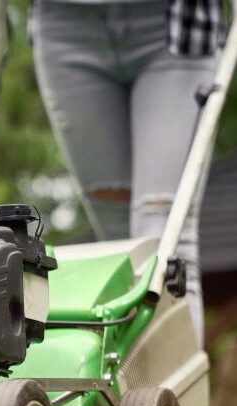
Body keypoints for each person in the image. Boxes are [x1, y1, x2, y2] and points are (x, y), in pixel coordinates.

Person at [29, 0, 224, 345]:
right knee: (121, 252)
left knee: (164, 246)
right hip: (64, 26)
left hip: (176, 25)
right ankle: (127, 392)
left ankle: (172, 393)